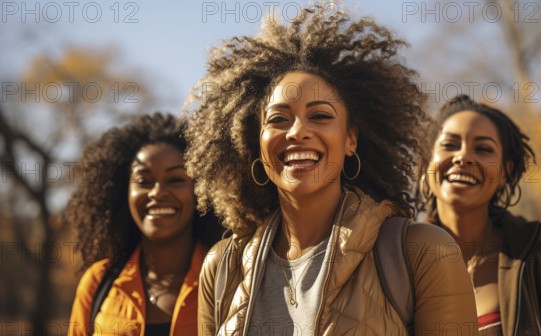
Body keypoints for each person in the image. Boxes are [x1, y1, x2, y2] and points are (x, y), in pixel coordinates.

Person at [183, 5, 477, 335]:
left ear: (350, 139)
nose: (296, 132)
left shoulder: (423, 252)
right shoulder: (222, 267)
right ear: (255, 143)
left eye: (320, 116)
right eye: (278, 119)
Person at [421, 94, 541, 335]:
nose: (463, 157)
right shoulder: (396, 260)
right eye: (449, 145)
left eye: (483, 149)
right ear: (427, 160)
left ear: (504, 172)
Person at [65, 113, 223, 335]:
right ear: (123, 191)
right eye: (143, 181)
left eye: (176, 179)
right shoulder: (98, 282)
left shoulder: (228, 281)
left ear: (201, 190)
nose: (157, 193)